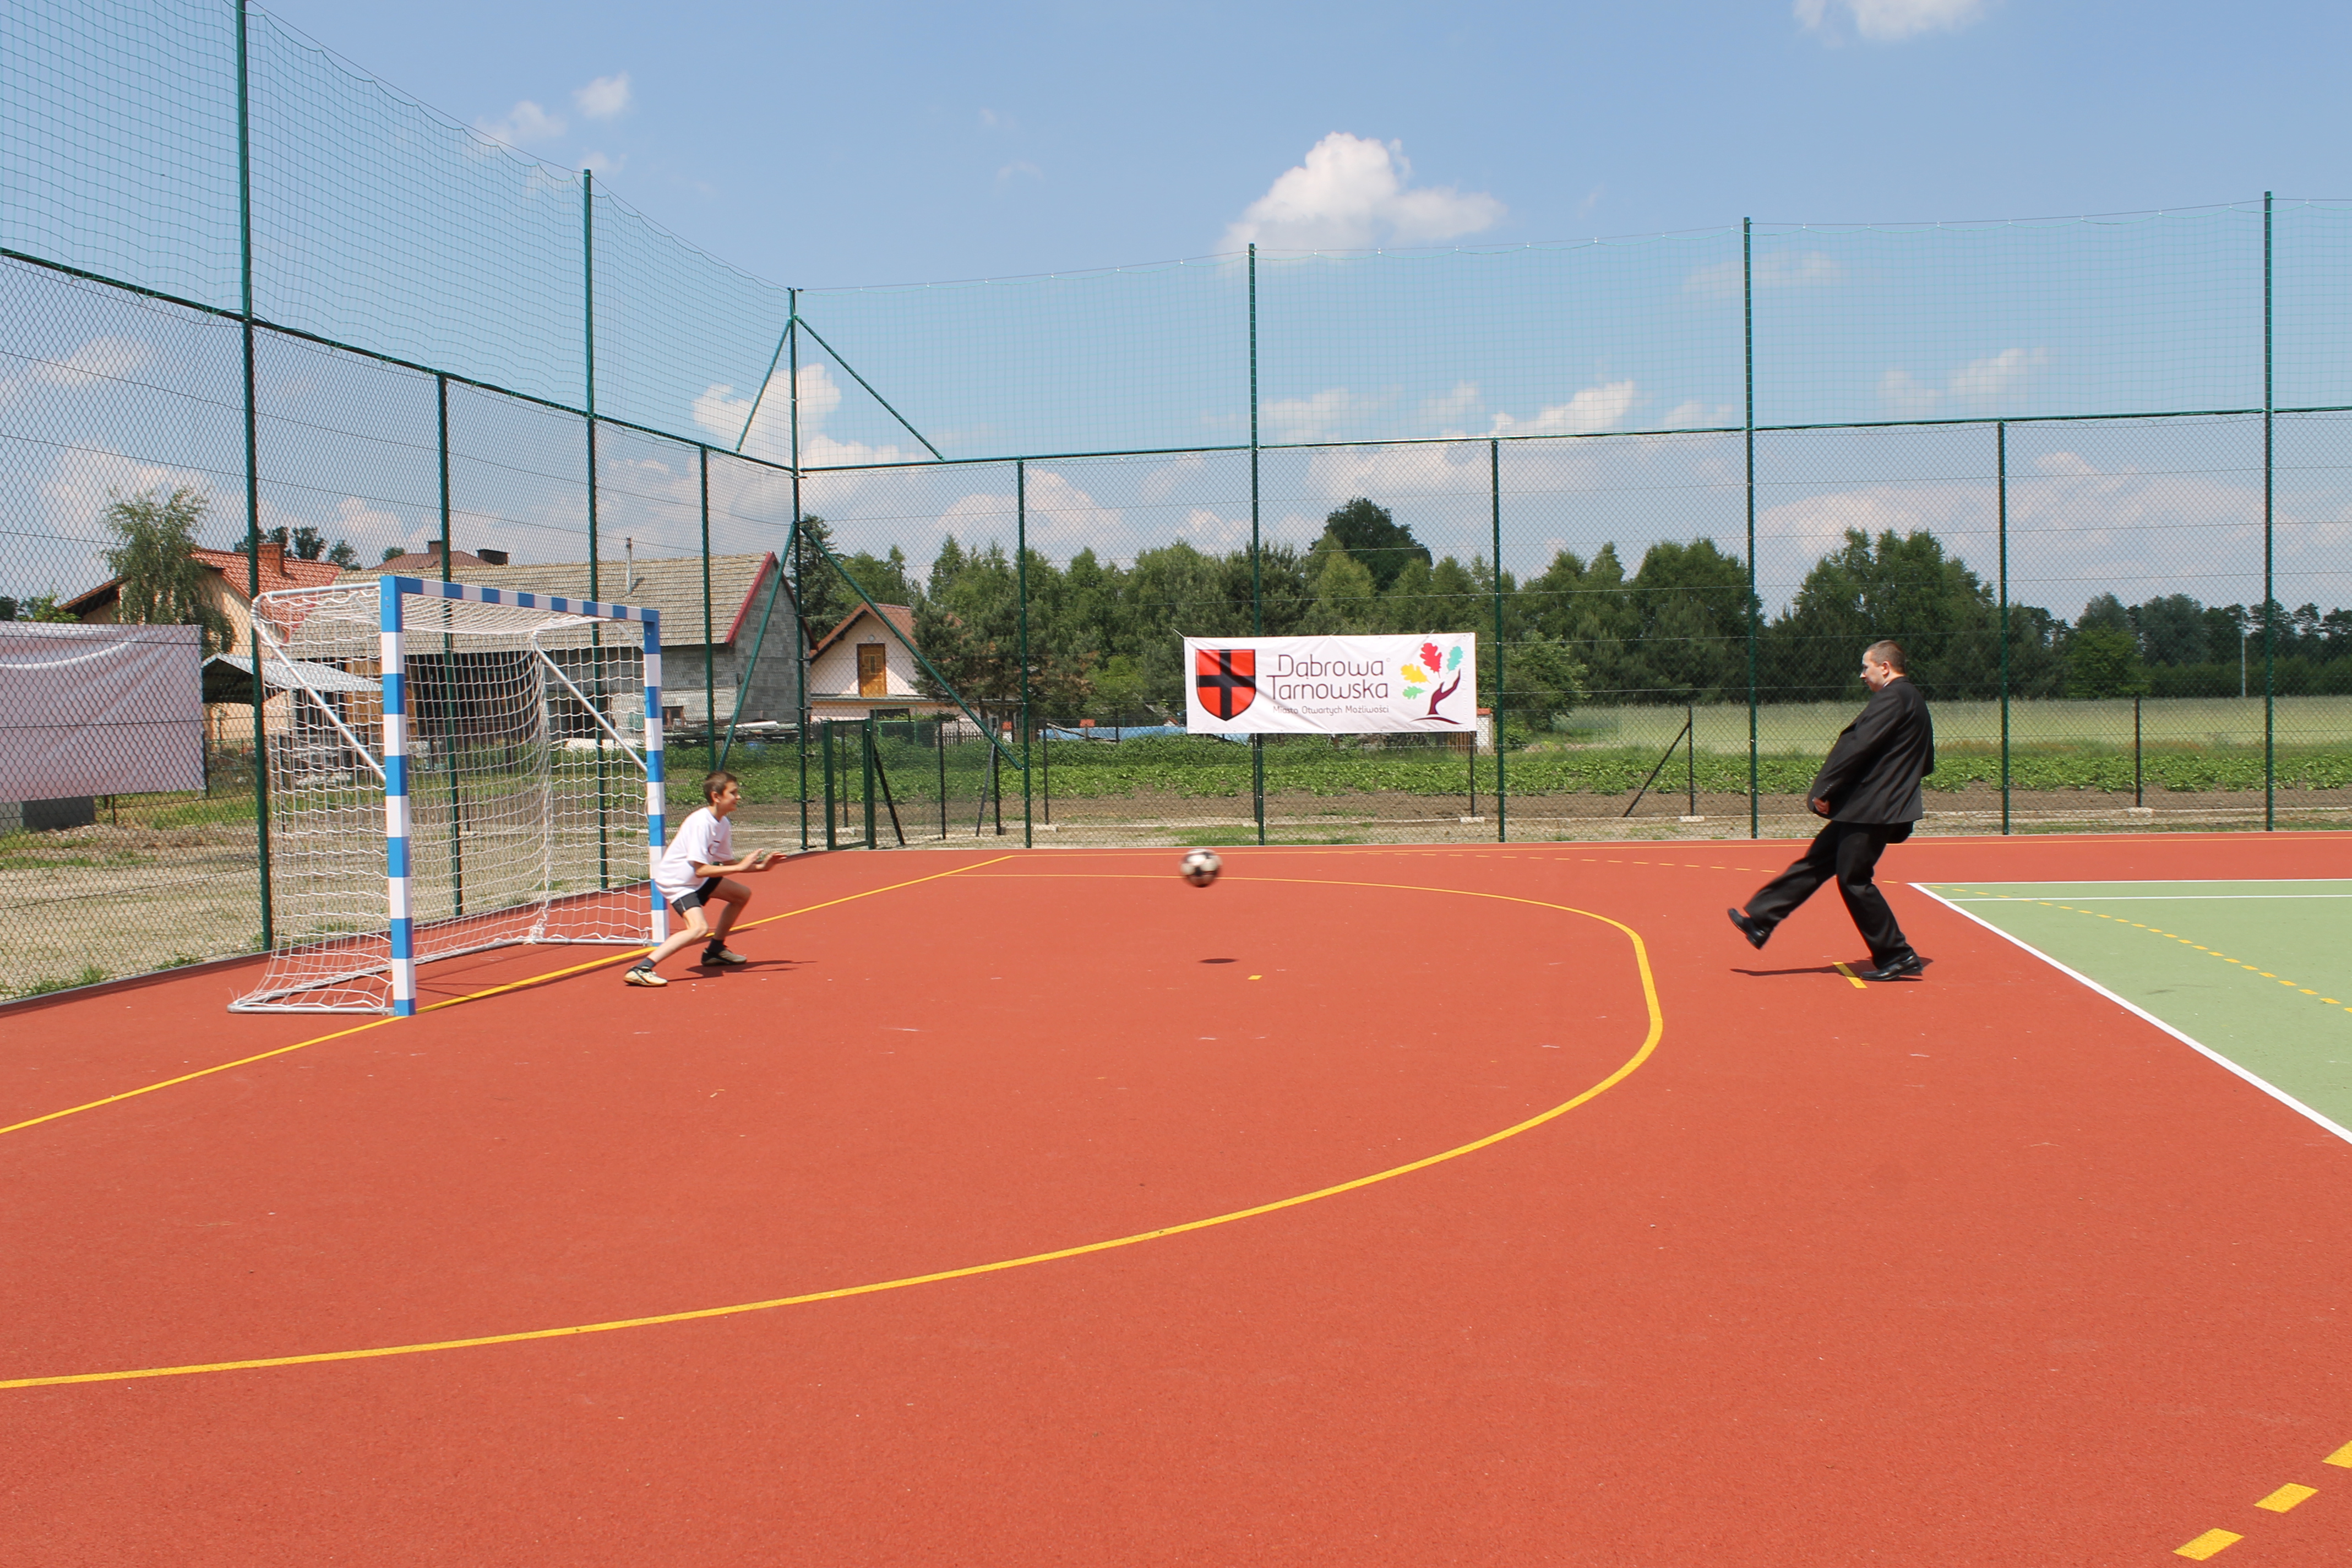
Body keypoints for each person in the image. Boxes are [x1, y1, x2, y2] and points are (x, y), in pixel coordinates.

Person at [1728, 640, 1935, 981]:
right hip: (1870, 804)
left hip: (1873, 808)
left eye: (1866, 667)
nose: (1862, 675)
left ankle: (1897, 955)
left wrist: (1827, 790)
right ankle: (1761, 921)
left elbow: (1857, 747)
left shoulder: (1894, 698)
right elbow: (1925, 761)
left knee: (1854, 879)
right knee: (1817, 861)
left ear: (1885, 667)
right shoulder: (1912, 699)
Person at [625, 770, 774, 988]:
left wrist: (762, 867)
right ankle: (641, 969)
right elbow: (700, 870)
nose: (738, 797)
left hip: (696, 879)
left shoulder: (723, 823)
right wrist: (741, 867)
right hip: (678, 883)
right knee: (698, 929)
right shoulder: (700, 823)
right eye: (733, 793)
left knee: (741, 895)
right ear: (716, 796)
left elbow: (729, 863)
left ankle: (715, 951)